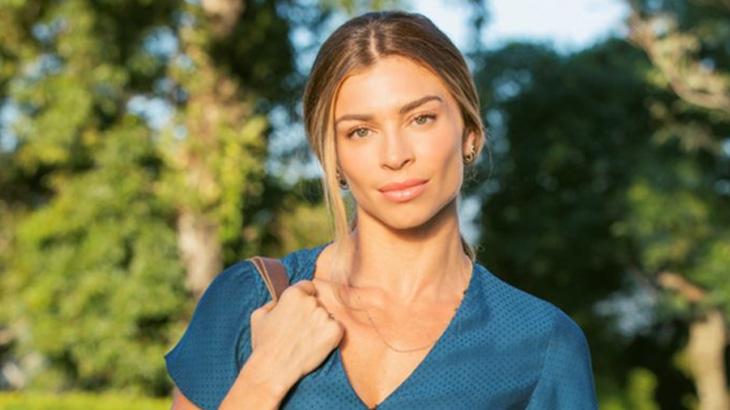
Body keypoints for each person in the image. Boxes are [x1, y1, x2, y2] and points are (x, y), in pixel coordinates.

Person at [164, 10, 598, 410]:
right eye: (360, 131)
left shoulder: (542, 342)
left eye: (420, 119)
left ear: (469, 132)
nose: (394, 156)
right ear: (333, 157)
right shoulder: (250, 300)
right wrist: (266, 375)